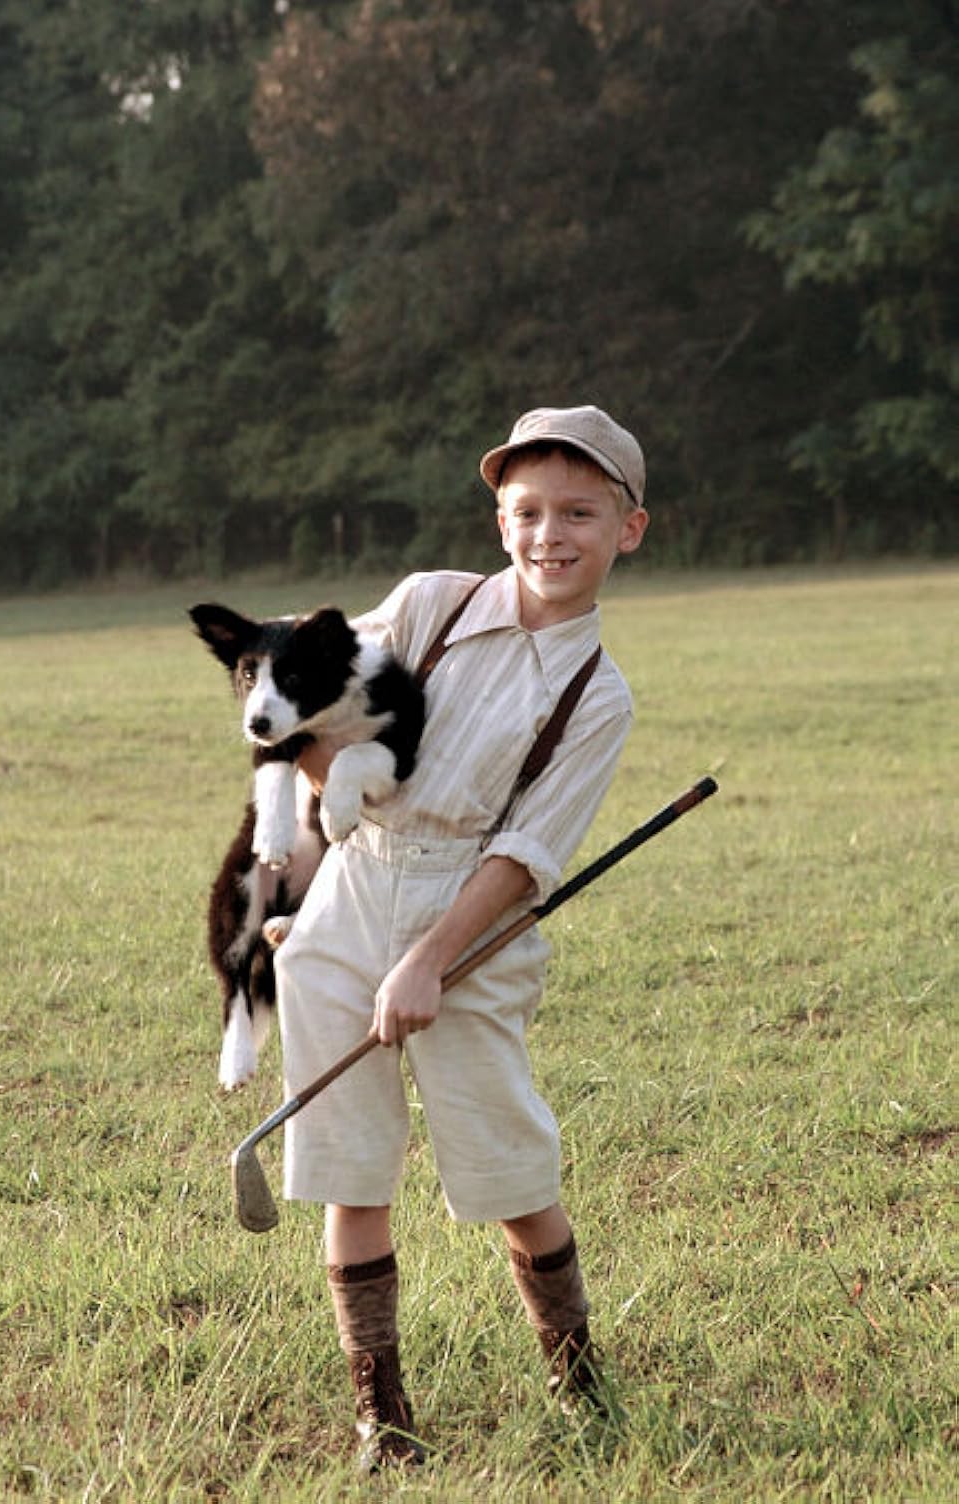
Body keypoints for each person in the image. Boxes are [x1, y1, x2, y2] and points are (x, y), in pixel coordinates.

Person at [276, 404, 649, 1470]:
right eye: (527, 511)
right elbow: (308, 697)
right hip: (353, 888)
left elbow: (525, 854)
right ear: (499, 521)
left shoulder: (596, 695)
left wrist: (428, 960)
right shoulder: (430, 603)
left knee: (507, 1171)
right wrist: (319, 776)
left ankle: (578, 1384)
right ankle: (382, 1420)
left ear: (629, 529)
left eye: (579, 513)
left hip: (474, 924)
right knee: (352, 1169)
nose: (549, 535)